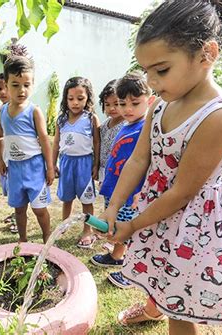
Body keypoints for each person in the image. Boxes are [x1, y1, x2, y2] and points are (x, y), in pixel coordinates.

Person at [100, 0, 222, 331]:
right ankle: (154, 307)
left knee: (181, 310)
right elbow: (139, 158)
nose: (152, 82)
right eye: (147, 72)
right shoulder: (160, 106)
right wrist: (114, 205)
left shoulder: (218, 116)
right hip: (161, 216)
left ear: (206, 54)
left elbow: (183, 191)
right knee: (161, 277)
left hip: (196, 226)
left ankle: (167, 312)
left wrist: (133, 224)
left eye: (162, 70)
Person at [90, 72, 155, 291]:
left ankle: (131, 272)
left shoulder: (144, 128)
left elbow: (148, 162)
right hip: (116, 190)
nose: (127, 109)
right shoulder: (127, 125)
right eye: (121, 103)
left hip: (131, 194)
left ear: (150, 101)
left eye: (135, 103)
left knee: (130, 231)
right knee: (116, 227)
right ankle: (117, 257)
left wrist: (142, 189)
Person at [0, 55, 54, 243]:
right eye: (15, 85)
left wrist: (50, 167)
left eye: (26, 85)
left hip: (34, 168)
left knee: (38, 209)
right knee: (19, 208)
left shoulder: (34, 111)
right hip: (14, 168)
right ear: (5, 84)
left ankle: (47, 237)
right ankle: (23, 239)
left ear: (32, 83)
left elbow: (45, 140)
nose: (22, 90)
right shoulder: (1, 111)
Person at [52, 77, 100, 248]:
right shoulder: (61, 120)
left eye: (80, 98)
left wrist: (96, 164)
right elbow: (56, 143)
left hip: (85, 164)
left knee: (87, 200)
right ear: (65, 99)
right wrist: (52, 164)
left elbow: (96, 142)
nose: (75, 102)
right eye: (70, 98)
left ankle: (88, 230)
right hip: (66, 163)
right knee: (67, 198)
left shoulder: (91, 118)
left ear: (87, 98)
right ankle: (64, 224)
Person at [0, 73, 16, 232]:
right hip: (3, 157)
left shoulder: (20, 110)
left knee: (16, 188)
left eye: (6, 88)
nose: (2, 92)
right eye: (0, 88)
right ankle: (15, 212)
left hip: (16, 157)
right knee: (9, 188)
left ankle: (17, 217)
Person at [97, 79, 125, 184]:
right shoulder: (104, 125)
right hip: (105, 173)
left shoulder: (127, 126)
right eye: (107, 104)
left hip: (120, 174)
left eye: (116, 104)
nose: (111, 108)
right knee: (107, 200)